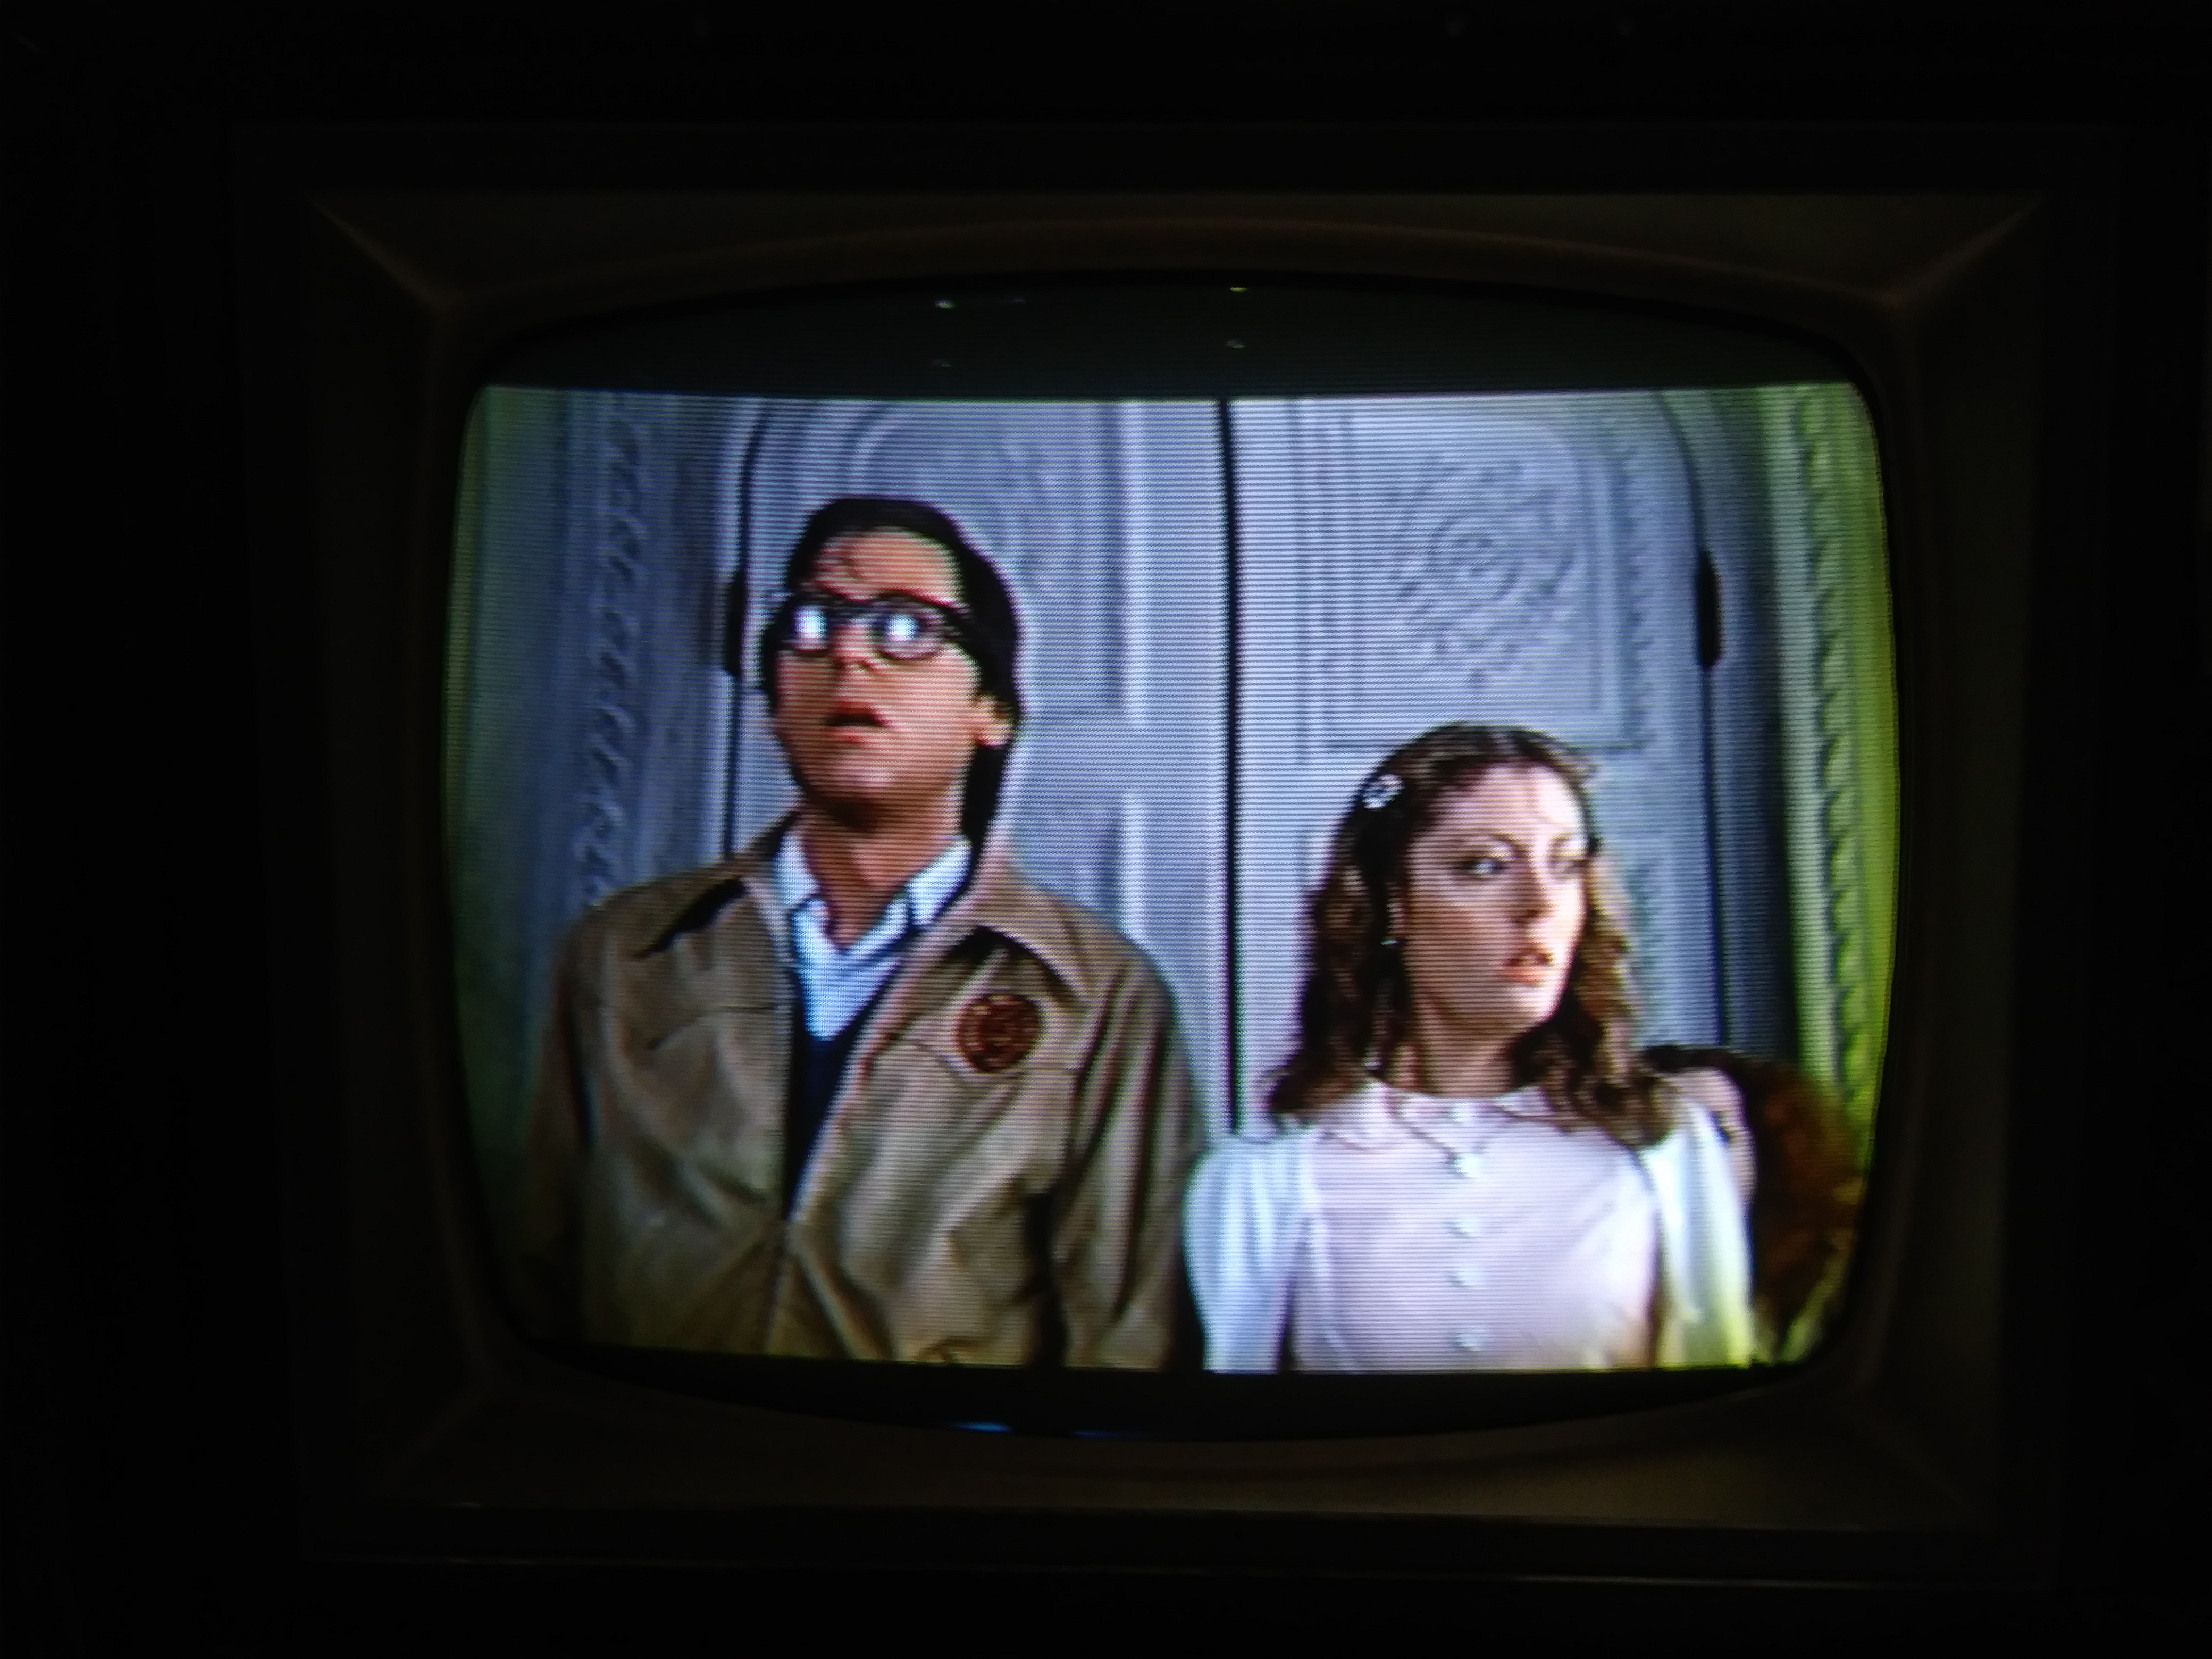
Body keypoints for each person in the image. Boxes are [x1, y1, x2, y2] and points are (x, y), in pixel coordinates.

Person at [513, 496, 1202, 1366]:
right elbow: (537, 1282)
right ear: (773, 705)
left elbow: (1128, 1343)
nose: (848, 653)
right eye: (812, 622)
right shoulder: (629, 953)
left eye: (907, 628)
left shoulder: (1095, 995)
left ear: (991, 712)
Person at [1184, 723, 1769, 1373]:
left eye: (1565, 865)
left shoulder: (1660, 1148)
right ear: (1393, 903)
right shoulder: (1266, 1177)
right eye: (1484, 866)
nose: (1539, 905)